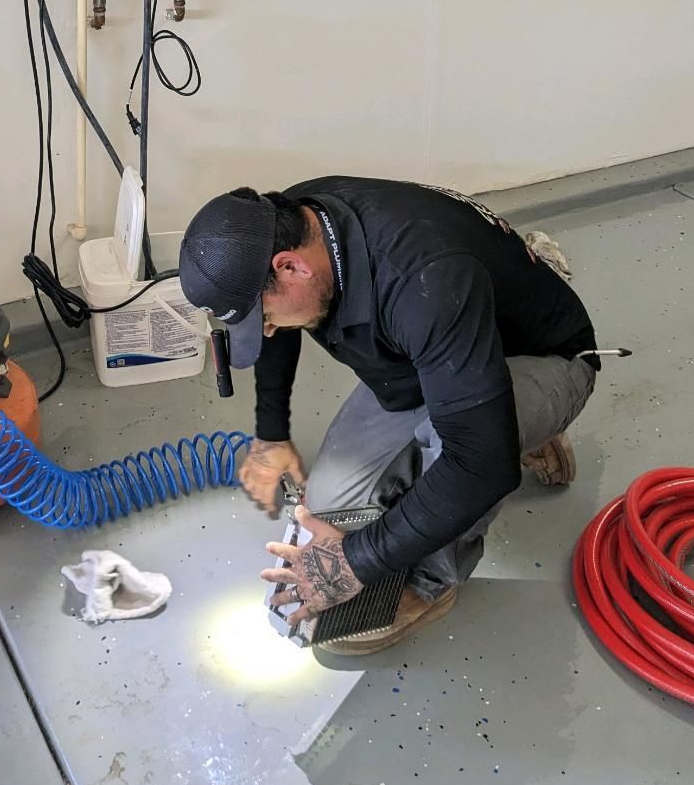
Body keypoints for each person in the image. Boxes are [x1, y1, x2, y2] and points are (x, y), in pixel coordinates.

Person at [178, 177, 600, 655]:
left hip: (544, 359)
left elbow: (480, 462)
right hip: (435, 358)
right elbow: (275, 330)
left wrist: (355, 563)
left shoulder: (426, 277)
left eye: (265, 315)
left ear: (291, 267)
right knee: (330, 503)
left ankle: (431, 583)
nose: (268, 328)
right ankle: (489, 413)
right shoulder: (289, 223)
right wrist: (272, 436)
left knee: (472, 453)